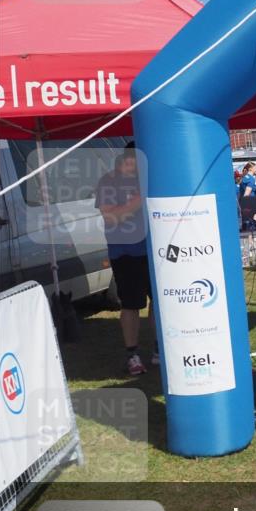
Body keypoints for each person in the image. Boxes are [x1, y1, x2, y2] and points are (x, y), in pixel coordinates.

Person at [95, 142, 157, 376]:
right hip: (126, 253)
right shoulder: (109, 182)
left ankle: (159, 349)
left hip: (154, 251)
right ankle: (133, 355)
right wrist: (139, 200)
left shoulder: (150, 178)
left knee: (159, 302)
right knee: (131, 305)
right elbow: (110, 217)